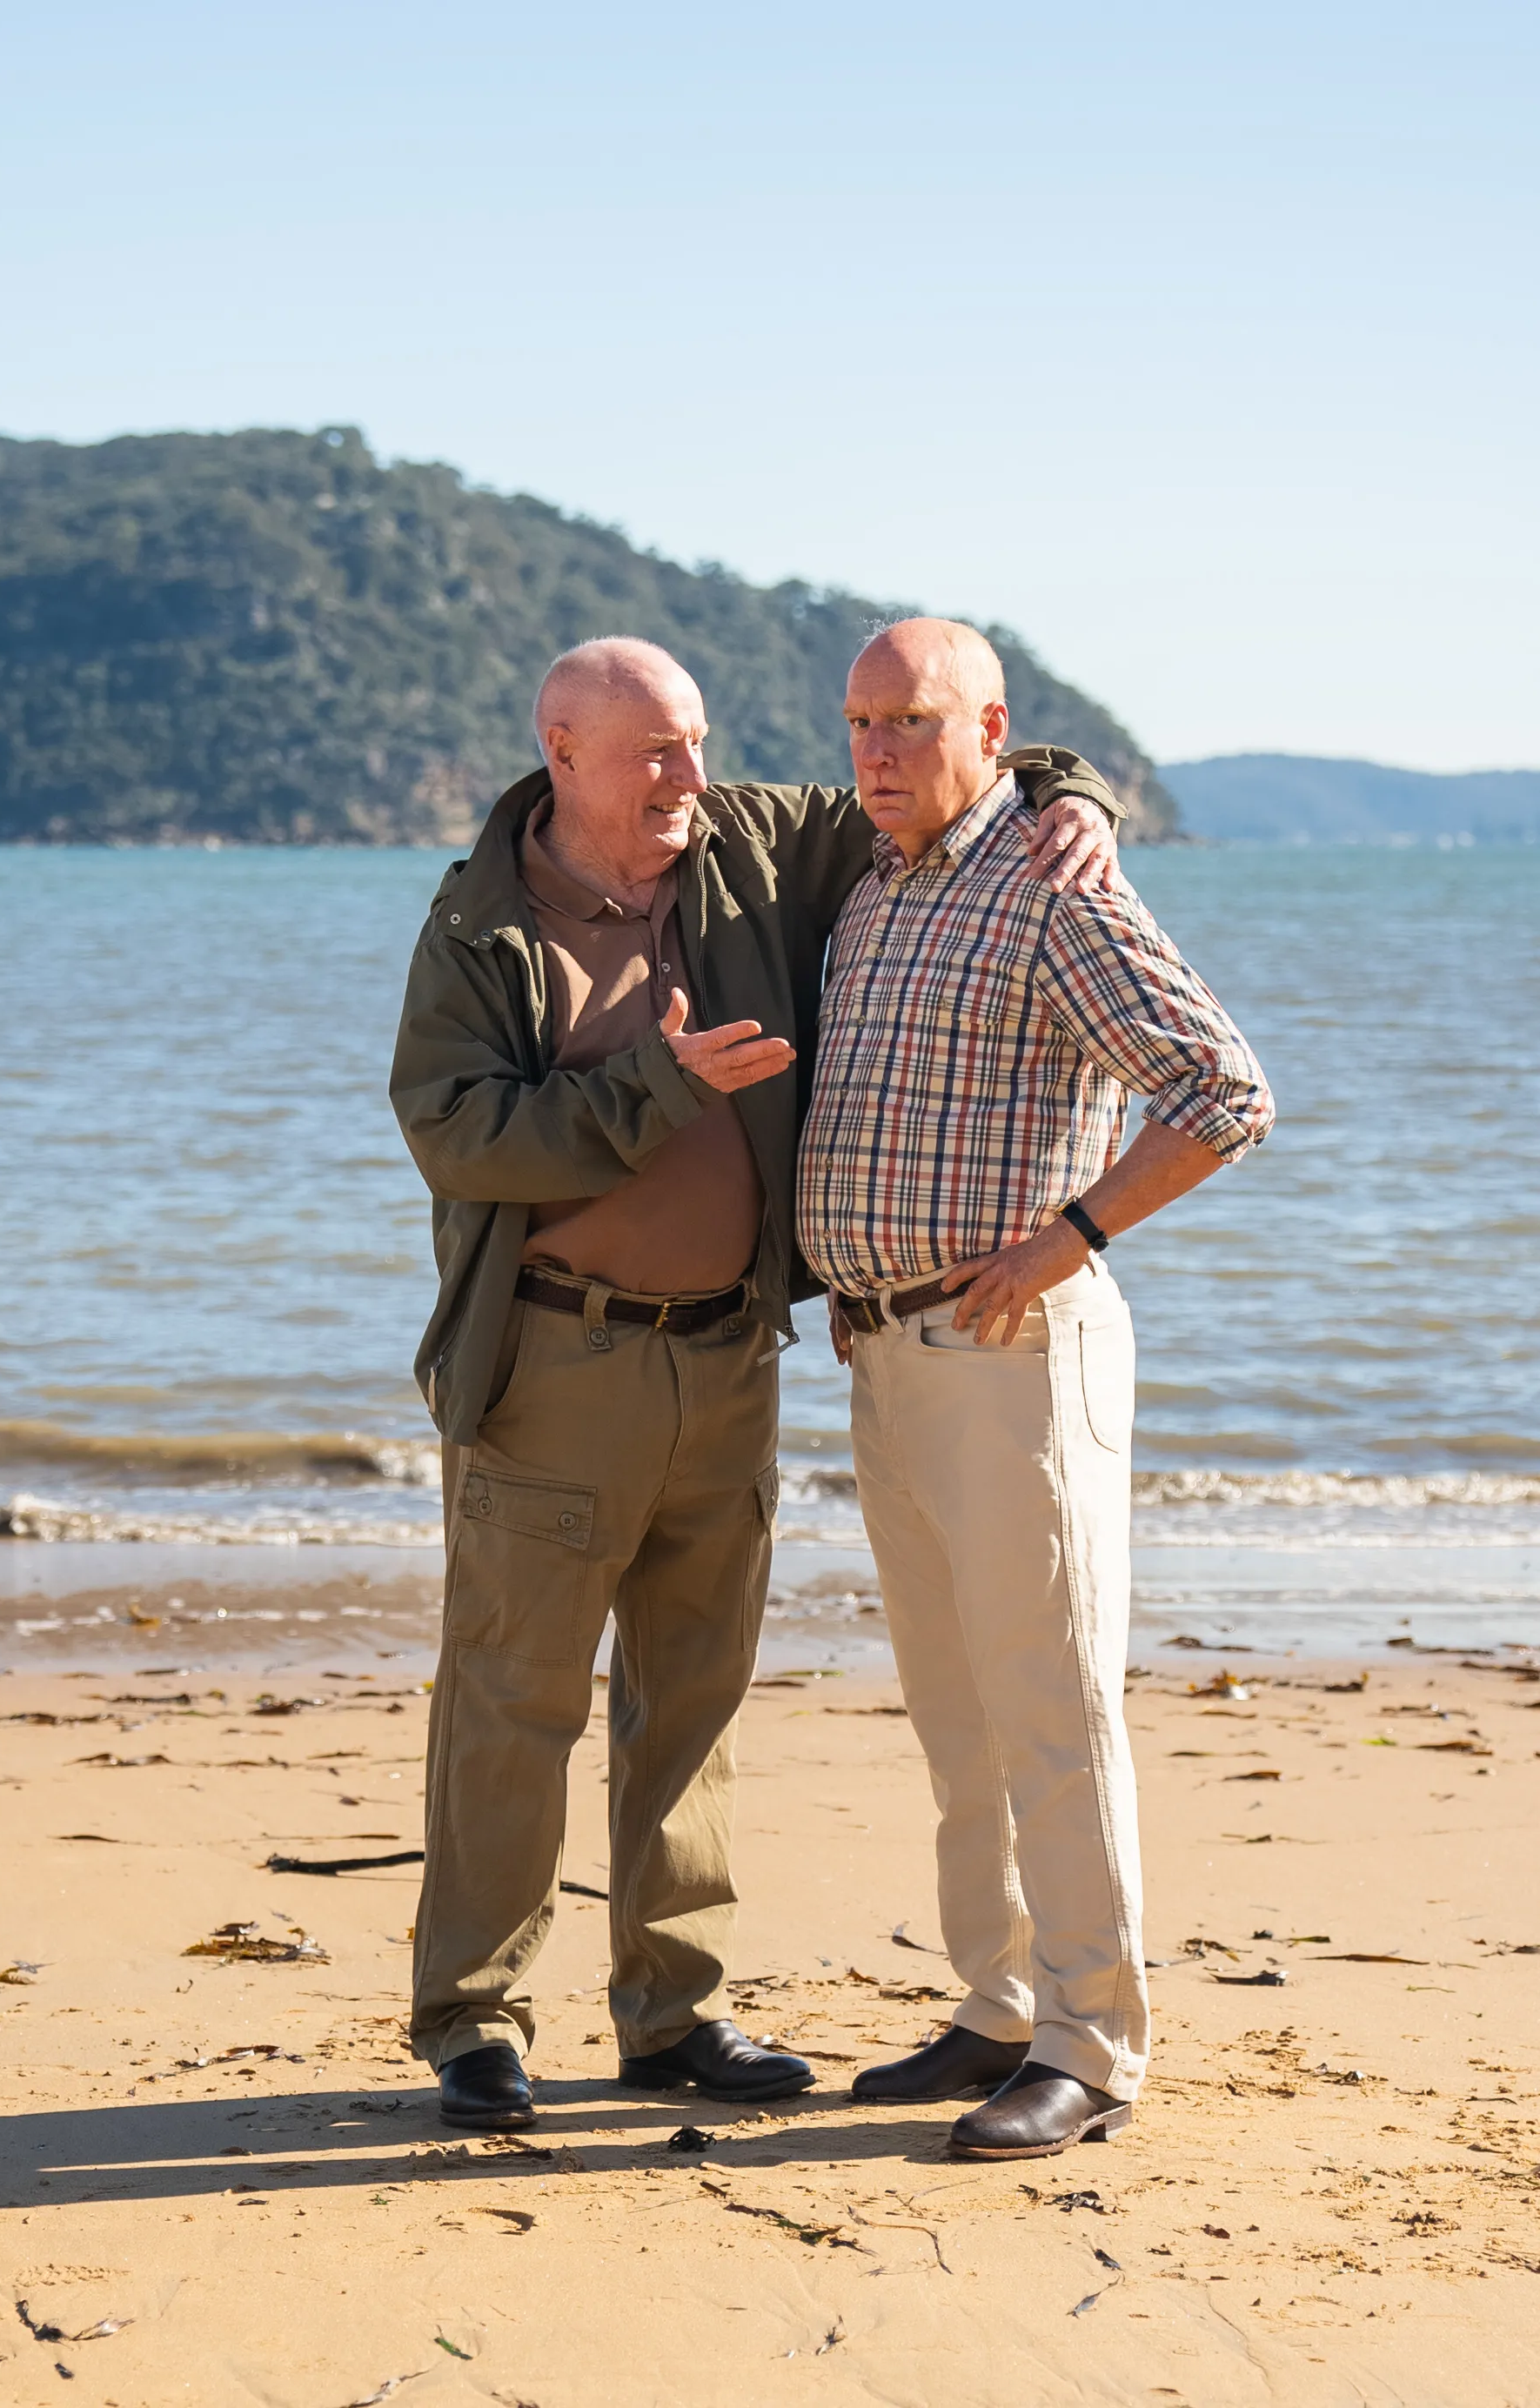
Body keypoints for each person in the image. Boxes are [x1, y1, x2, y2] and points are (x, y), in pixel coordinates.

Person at [389, 635, 1123, 2129]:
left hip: (728, 1357)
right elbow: (464, 1136)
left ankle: (674, 2014)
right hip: (553, 1362)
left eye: (700, 743)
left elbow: (942, 773)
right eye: (656, 753)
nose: (691, 779)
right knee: (512, 1701)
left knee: (697, 1700)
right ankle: (476, 2020)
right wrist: (657, 1088)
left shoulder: (747, 843)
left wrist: (1075, 787)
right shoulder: (479, 924)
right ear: (563, 750)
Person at [796, 619, 1274, 2160]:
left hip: (1013, 1358)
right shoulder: (873, 887)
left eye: (910, 722)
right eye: (860, 721)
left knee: (1054, 1711)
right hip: (888, 1351)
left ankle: (1091, 2043)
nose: (876, 752)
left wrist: (1070, 1239)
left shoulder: (1052, 882)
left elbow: (1224, 1088)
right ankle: (996, 2005)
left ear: (990, 729)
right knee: (957, 1715)